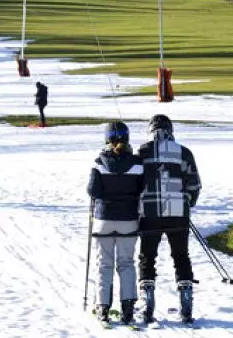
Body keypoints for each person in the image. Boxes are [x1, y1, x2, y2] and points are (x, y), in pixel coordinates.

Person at [137, 114, 203, 324]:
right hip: (179, 214)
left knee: (147, 257)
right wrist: (188, 202)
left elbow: (134, 182)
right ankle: (186, 303)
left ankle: (146, 301)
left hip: (149, 213)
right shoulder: (184, 152)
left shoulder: (142, 152)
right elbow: (194, 184)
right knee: (181, 256)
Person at [87, 121, 143, 325]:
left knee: (104, 264)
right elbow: (140, 189)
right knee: (127, 263)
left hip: (104, 219)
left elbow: (92, 191)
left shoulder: (99, 163)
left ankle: (102, 306)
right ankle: (128, 308)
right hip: (128, 219)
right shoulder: (137, 164)